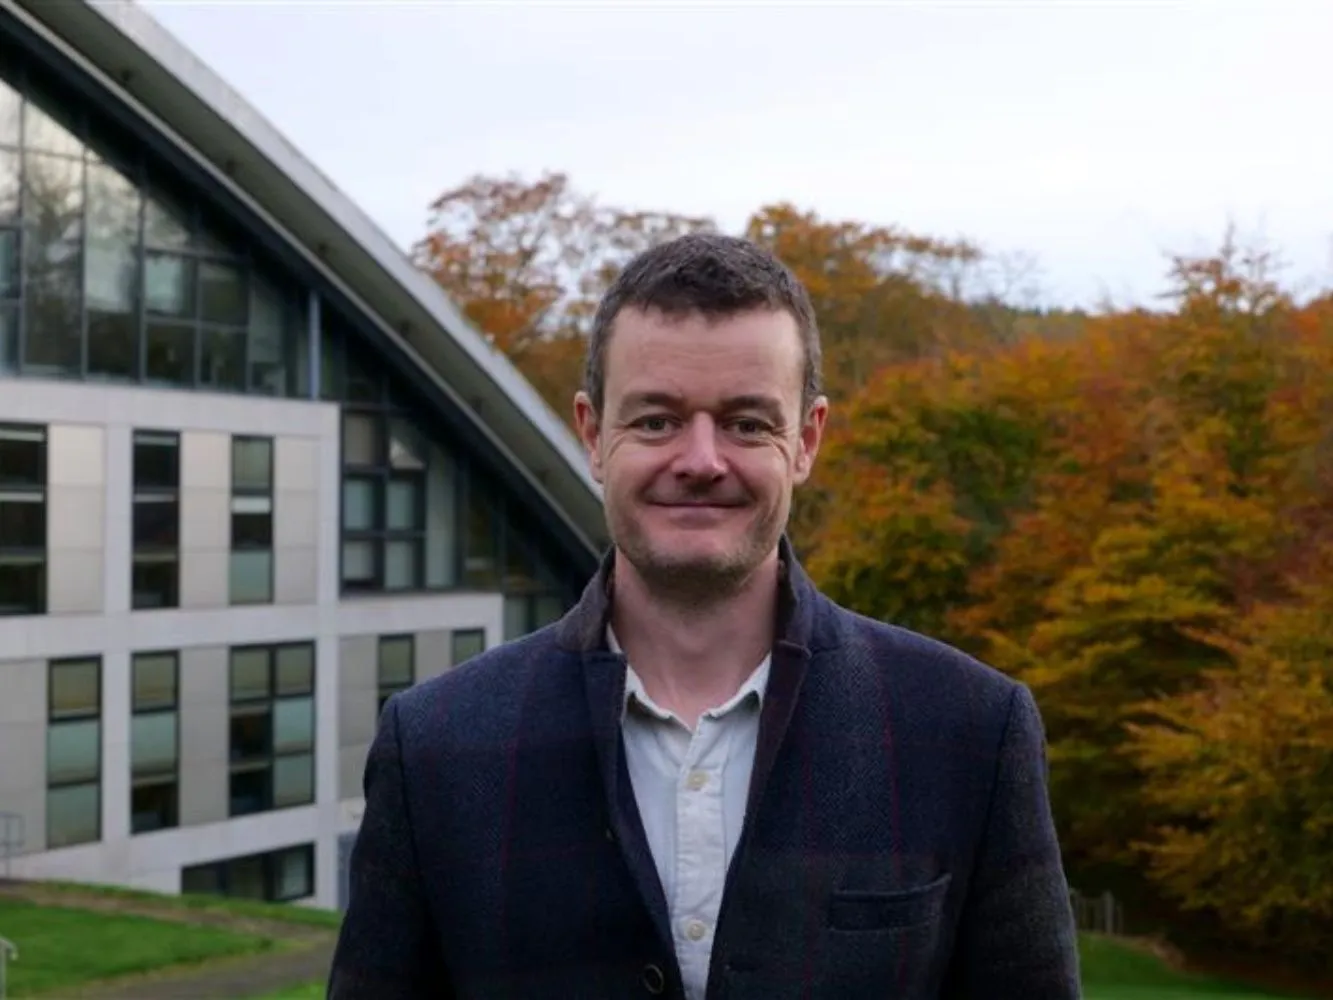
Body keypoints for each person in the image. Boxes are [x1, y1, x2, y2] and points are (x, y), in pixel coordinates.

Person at [327, 233, 1081, 999]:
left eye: (746, 423)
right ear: (592, 434)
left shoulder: (969, 731)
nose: (700, 460)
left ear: (806, 440)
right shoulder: (435, 748)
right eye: (655, 420)